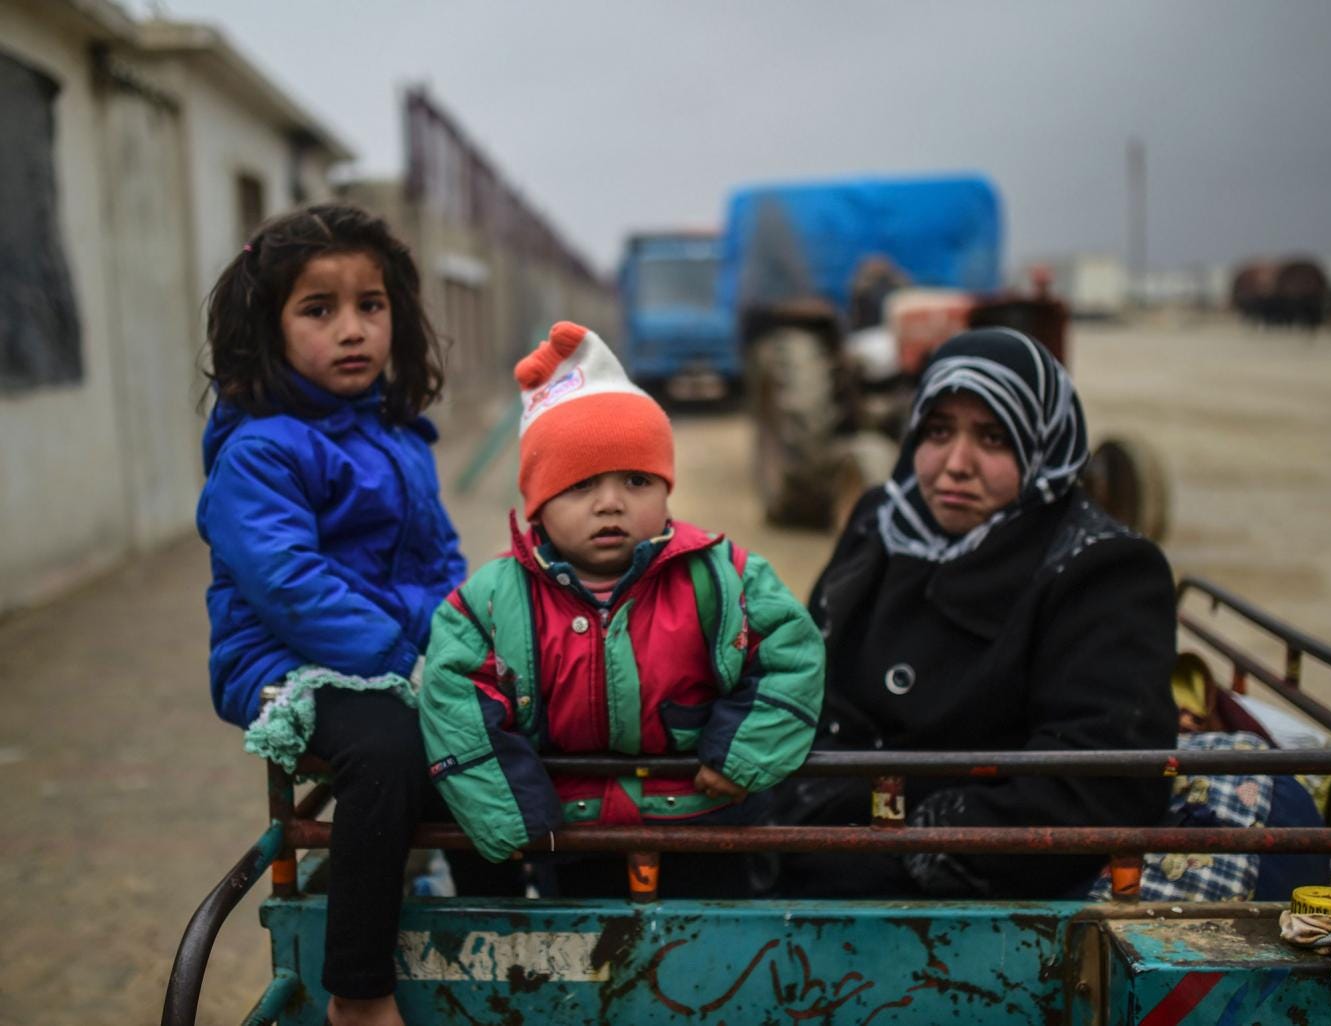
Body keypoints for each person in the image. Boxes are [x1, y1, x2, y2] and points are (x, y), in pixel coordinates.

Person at [772, 326, 1178, 899]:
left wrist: (903, 848)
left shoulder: (1101, 571)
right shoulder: (880, 521)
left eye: (992, 438)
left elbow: (1096, 786)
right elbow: (810, 676)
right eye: (938, 431)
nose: (956, 464)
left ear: (1043, 446)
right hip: (813, 819)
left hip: (946, 881)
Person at [419, 321, 823, 895]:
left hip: (705, 822)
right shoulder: (487, 605)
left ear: (666, 490)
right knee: (589, 967)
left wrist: (744, 756)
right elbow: (452, 698)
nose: (611, 503)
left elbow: (793, 655)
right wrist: (511, 813)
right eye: (580, 485)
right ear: (537, 505)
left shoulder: (724, 577)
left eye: (636, 480)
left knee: (713, 966)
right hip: (571, 837)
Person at [197, 203, 466, 1026]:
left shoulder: (398, 438)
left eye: (371, 306)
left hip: (392, 655)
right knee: (386, 750)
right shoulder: (262, 451)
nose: (352, 329)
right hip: (286, 664)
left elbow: (441, 563)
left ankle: (506, 911)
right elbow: (289, 584)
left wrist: (467, 642)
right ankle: (359, 991)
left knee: (499, 717)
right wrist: (404, 660)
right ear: (267, 330)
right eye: (319, 310)